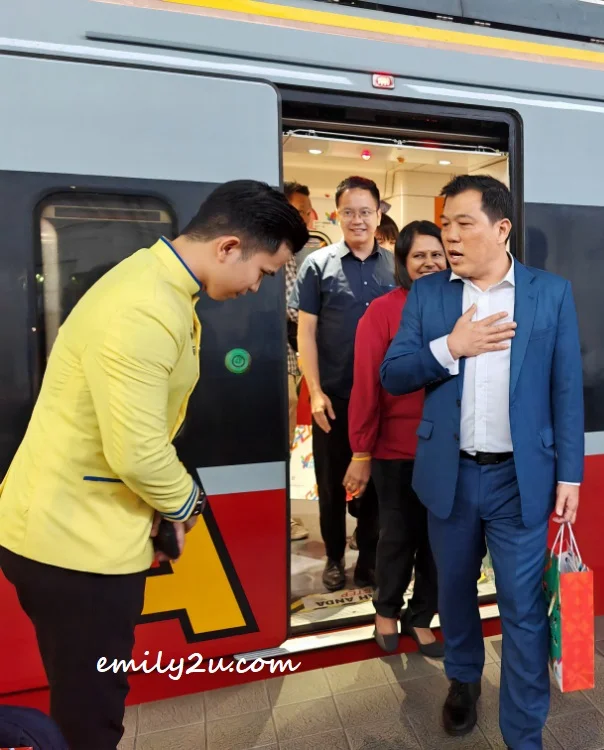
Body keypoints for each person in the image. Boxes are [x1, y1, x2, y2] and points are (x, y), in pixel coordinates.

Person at [0, 181, 307, 750]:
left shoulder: (154, 281)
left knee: (84, 694)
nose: (257, 287)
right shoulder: (144, 308)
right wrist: (187, 506)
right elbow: (138, 451)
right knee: (93, 710)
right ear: (228, 247)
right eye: (263, 271)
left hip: (74, 529)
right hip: (76, 545)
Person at [381, 175, 584, 750]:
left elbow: (566, 390)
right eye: (445, 224)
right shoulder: (431, 296)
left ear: (501, 229)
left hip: (520, 478)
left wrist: (571, 474)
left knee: (522, 611)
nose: (450, 236)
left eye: (463, 223)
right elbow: (393, 375)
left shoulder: (550, 294)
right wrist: (453, 346)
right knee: (454, 592)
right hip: (451, 475)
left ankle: (524, 733)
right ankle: (463, 679)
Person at [346, 221, 448, 658]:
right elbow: (367, 385)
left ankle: (421, 617)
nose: (429, 263)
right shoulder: (383, 312)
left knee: (440, 543)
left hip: (451, 448)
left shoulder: (462, 306)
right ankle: (385, 611)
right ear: (403, 263)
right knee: (398, 536)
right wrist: (361, 450)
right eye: (418, 256)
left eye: (437, 254)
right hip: (396, 449)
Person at [291, 176, 395, 592]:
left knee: (377, 487)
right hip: (334, 399)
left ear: (378, 214)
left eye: (365, 212)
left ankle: (368, 558)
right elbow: (306, 335)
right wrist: (314, 391)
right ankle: (335, 557)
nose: (357, 220)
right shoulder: (317, 265)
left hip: (383, 401)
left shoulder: (394, 265)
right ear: (337, 215)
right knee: (332, 485)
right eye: (348, 212)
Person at [285, 181, 313, 542]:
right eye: (300, 212)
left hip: (291, 359)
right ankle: (281, 516)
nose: (306, 218)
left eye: (307, 213)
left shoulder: (296, 254)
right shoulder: (286, 254)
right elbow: (292, 310)